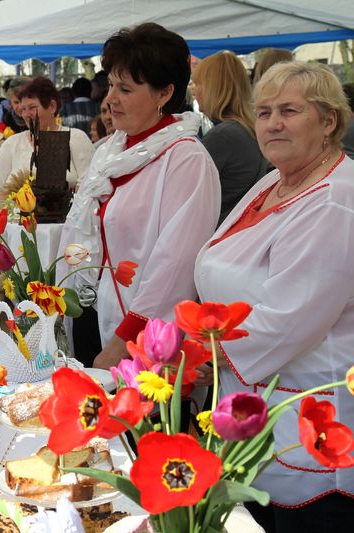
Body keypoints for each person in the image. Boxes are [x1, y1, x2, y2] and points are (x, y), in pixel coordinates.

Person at [194, 61, 354, 532]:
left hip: (306, 415)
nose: (273, 123)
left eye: (289, 110)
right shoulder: (274, 180)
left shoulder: (335, 201)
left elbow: (290, 317)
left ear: (329, 122)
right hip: (250, 405)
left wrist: (199, 354)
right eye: (263, 112)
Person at [57, 23, 220, 368]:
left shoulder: (185, 159)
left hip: (140, 338)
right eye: (111, 85)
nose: (111, 99)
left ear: (164, 94)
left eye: (126, 89)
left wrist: (123, 343)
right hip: (91, 313)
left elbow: (175, 268)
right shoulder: (110, 151)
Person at [0, 76, 94, 202]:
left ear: (52, 106)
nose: (26, 115)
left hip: (70, 219)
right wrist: (16, 210)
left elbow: (90, 186)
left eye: (32, 107)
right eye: (23, 109)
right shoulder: (12, 144)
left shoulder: (76, 138)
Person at [192, 51, 269, 223]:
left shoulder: (224, 136)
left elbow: (181, 189)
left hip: (217, 233)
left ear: (213, 88)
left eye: (197, 83)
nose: (193, 89)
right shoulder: (247, 127)